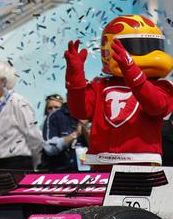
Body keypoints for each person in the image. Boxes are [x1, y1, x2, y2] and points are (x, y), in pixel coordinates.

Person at [65, 15, 173, 170]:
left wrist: (132, 72)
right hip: (101, 162)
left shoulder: (162, 86)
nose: (149, 54)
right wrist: (75, 77)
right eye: (137, 46)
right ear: (109, 49)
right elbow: (80, 111)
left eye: (152, 46)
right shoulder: (99, 85)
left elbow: (156, 106)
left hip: (142, 162)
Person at [0, 61, 43, 170]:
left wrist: (36, 164)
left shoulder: (18, 102)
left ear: (2, 81)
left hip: (17, 164)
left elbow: (34, 137)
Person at [41, 94, 80, 172]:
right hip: (59, 169)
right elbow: (50, 148)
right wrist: (75, 135)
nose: (53, 110)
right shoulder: (44, 126)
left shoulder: (74, 119)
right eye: (50, 108)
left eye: (56, 107)